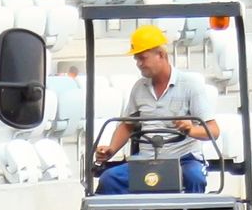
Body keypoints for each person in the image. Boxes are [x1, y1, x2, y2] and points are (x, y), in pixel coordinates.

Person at [92, 24, 221, 195]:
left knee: (195, 177)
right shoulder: (139, 88)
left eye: (142, 58)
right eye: (136, 59)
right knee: (109, 179)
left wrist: (191, 129)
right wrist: (111, 149)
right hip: (146, 160)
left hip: (183, 159)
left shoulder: (190, 85)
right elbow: (127, 125)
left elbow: (213, 130)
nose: (139, 64)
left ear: (160, 54)